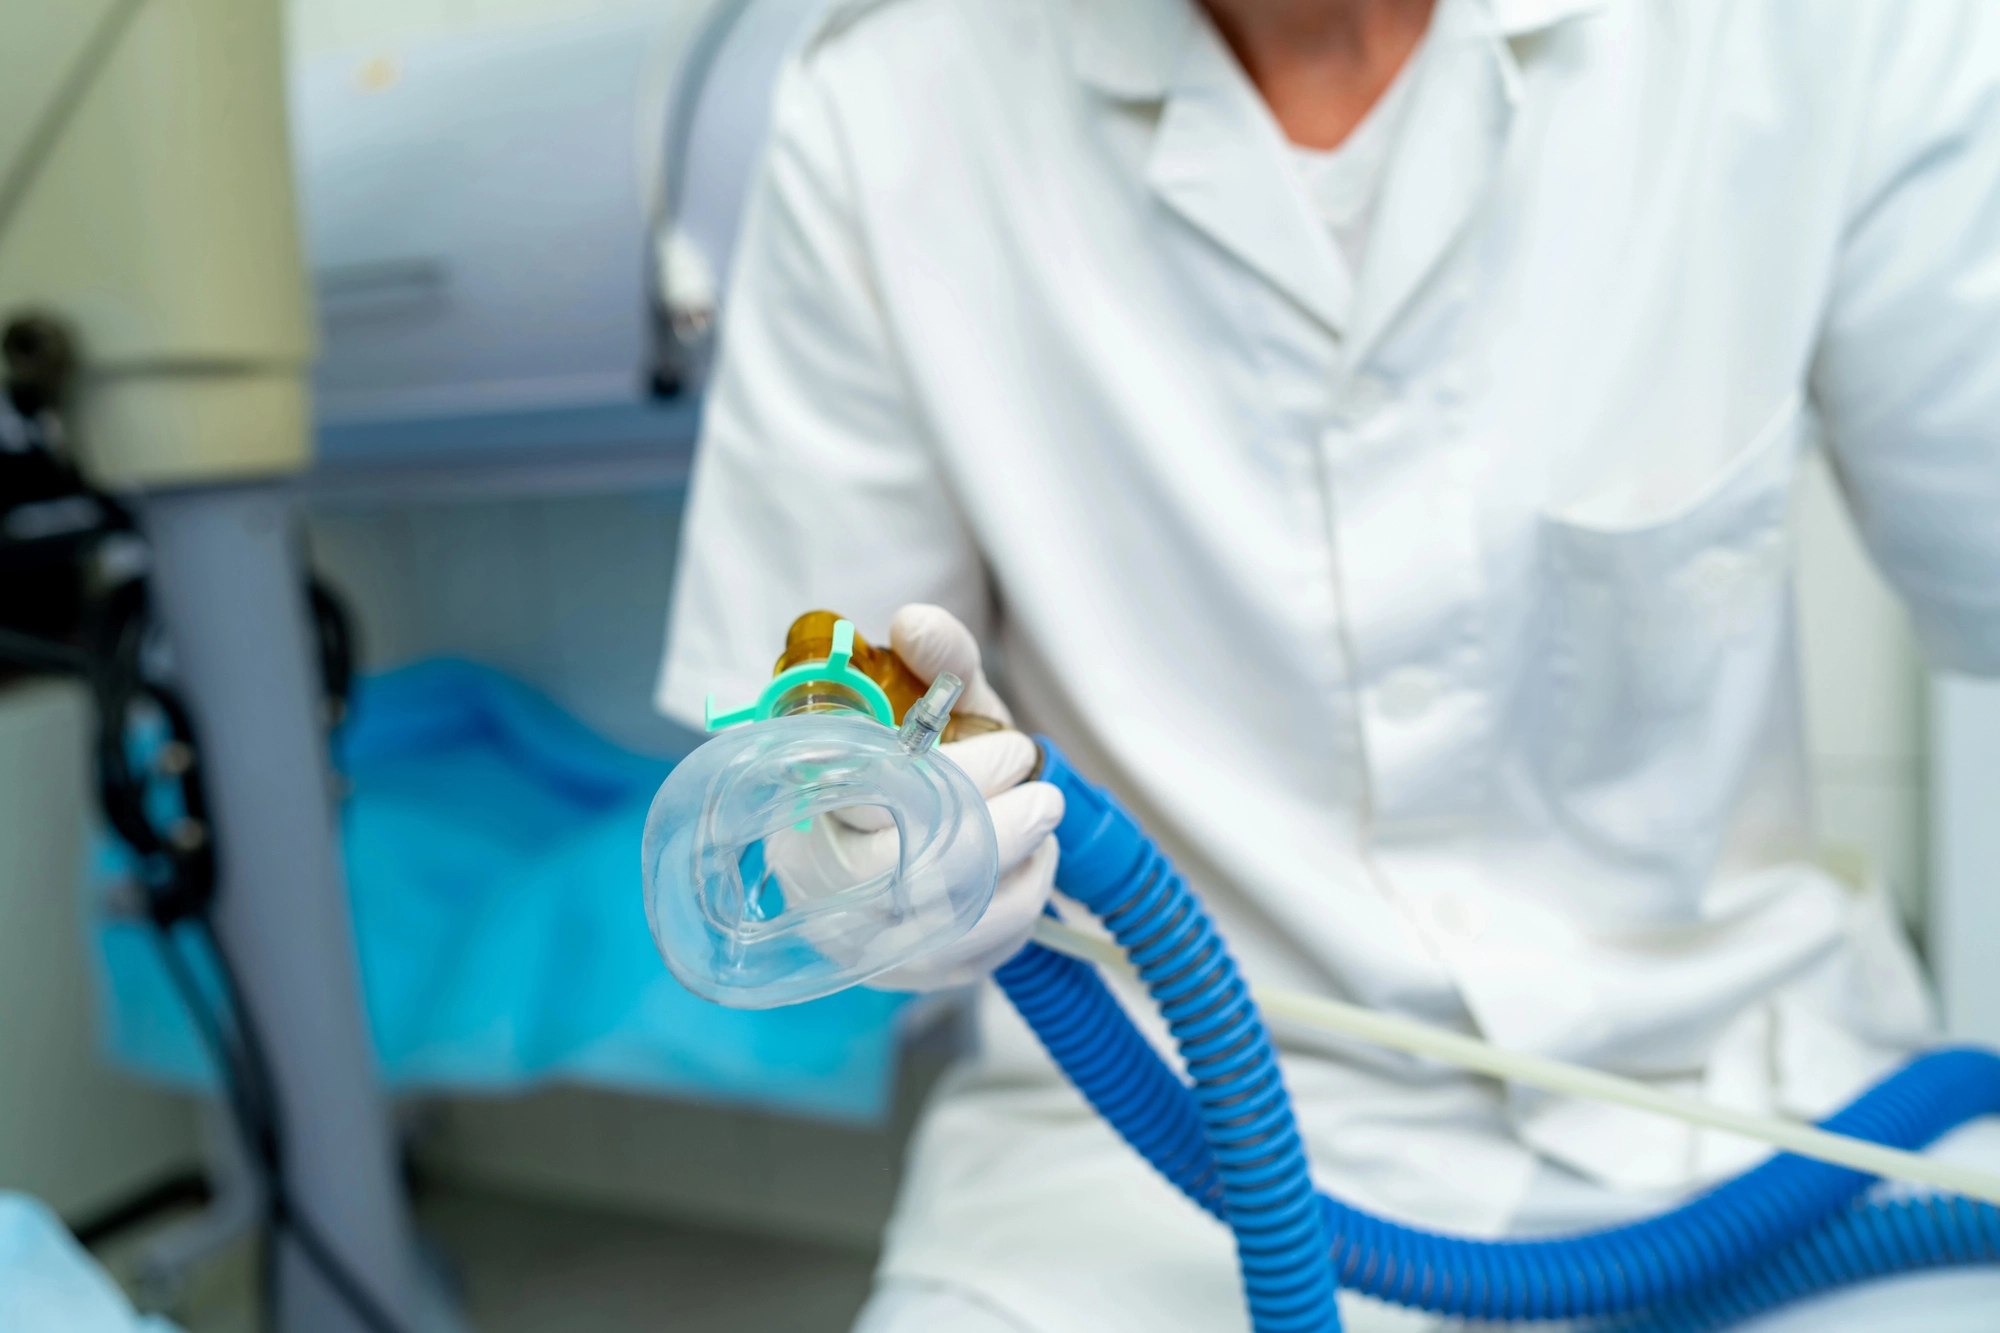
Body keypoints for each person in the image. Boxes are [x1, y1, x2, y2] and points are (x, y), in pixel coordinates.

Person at [656, 0, 2000, 1327]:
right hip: (1137, 1160)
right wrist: (868, 856)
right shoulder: (884, 98)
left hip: (1758, 1111)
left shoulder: (1825, 31)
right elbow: (797, 738)